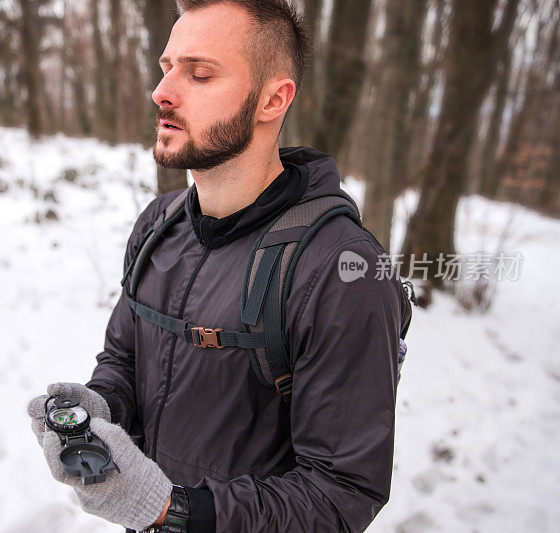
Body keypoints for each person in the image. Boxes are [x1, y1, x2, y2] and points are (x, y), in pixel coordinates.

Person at [27, 1, 412, 531]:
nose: (162, 92)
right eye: (167, 68)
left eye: (200, 74)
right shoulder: (158, 225)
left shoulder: (341, 271)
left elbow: (342, 495)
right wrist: (102, 408)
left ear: (273, 100)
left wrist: (173, 510)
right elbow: (124, 354)